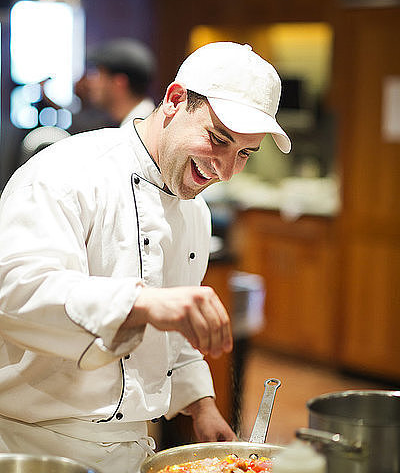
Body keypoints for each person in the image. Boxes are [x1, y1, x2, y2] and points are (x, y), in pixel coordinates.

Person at [0, 42, 291, 473]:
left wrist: (200, 404)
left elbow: (169, 333)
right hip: (33, 447)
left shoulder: (195, 213)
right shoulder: (67, 173)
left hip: (132, 447)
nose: (225, 171)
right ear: (174, 101)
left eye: (244, 154)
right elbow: (15, 290)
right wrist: (142, 302)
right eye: (218, 140)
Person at [85, 37, 156, 126]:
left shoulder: (142, 129)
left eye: (97, 74)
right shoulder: (139, 122)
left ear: (119, 82)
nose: (90, 82)